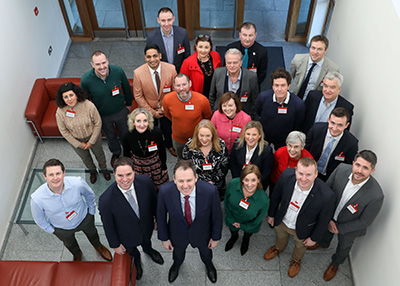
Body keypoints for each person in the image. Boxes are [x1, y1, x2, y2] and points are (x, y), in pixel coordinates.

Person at [309, 151, 384, 281]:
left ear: (372, 170)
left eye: (365, 168)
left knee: (344, 247)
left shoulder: (376, 195)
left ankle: (335, 263)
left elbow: (365, 221)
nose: (359, 171)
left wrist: (339, 228)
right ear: (353, 163)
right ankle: (323, 243)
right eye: (358, 165)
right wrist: (328, 218)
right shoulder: (341, 169)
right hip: (331, 215)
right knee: (326, 232)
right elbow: (327, 190)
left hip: (350, 228)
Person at [264, 158, 335, 278]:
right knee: (280, 236)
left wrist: (314, 238)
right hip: (283, 220)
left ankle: (296, 260)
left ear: (316, 174)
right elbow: (276, 195)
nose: (303, 178)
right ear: (295, 171)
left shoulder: (327, 195)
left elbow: (324, 220)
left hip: (303, 228)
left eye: (308, 174)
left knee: (300, 246)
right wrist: (271, 214)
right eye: (301, 173)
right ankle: (278, 248)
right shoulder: (286, 176)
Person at [31, 159, 112, 262]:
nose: (55, 178)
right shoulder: (37, 198)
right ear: (45, 176)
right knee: (70, 244)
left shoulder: (77, 183)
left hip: (84, 218)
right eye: (51, 175)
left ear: (64, 173)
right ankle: (77, 254)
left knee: (93, 234)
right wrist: (53, 231)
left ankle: (98, 246)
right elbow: (39, 219)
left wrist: (91, 212)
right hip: (62, 228)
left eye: (58, 173)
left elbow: (90, 195)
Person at [157, 160, 223, 283]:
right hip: (177, 233)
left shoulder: (210, 191)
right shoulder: (165, 191)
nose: (185, 185)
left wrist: (215, 237)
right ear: (174, 179)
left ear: (196, 178)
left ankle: (209, 266)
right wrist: (164, 238)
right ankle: (176, 266)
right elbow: (160, 216)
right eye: (181, 181)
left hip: (203, 233)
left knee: (206, 254)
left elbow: (217, 216)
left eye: (189, 180)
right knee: (178, 254)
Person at [99, 157, 164, 281]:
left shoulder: (145, 181)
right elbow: (108, 225)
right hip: (126, 235)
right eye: (120, 175)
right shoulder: (105, 200)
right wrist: (115, 244)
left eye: (128, 174)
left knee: (147, 242)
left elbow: (154, 203)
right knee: (133, 253)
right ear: (114, 174)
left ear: (134, 172)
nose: (125, 179)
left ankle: (149, 250)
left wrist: (157, 221)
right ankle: (137, 264)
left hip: (146, 226)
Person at [81, 50, 133, 167]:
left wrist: (128, 105)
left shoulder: (118, 71)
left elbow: (127, 88)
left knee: (125, 133)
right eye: (98, 64)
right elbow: (84, 100)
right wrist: (92, 115)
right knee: (110, 136)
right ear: (92, 65)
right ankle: (116, 153)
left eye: (104, 63)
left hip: (121, 111)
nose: (102, 67)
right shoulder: (86, 79)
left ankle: (127, 153)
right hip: (102, 115)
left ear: (108, 61)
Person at [55, 82, 111, 184]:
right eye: (66, 97)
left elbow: (98, 123)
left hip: (93, 136)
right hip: (76, 140)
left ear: (76, 94)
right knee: (85, 158)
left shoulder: (88, 105)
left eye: (71, 95)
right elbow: (63, 131)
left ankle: (104, 169)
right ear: (62, 99)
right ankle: (92, 172)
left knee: (100, 155)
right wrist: (78, 144)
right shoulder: (60, 111)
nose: (69, 99)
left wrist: (91, 141)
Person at [133, 43, 177, 157]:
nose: (152, 59)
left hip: (166, 108)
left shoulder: (171, 69)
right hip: (148, 109)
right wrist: (153, 112)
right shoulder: (138, 73)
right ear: (145, 58)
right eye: (149, 57)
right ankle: (154, 146)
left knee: (168, 128)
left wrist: (163, 109)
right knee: (150, 131)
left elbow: (174, 90)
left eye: (155, 56)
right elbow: (138, 96)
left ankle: (169, 144)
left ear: (160, 56)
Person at [163, 73, 212, 159]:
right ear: (174, 86)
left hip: (198, 139)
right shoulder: (167, 99)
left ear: (190, 84)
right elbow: (168, 115)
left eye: (184, 84)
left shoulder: (202, 100)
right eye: (178, 85)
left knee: (198, 162)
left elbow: (207, 118)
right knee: (182, 162)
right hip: (178, 140)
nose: (181, 88)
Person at [224, 165, 269, 255]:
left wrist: (243, 226)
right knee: (233, 231)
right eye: (246, 180)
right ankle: (234, 237)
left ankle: (245, 240)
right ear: (242, 179)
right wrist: (231, 219)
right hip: (232, 219)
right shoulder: (233, 184)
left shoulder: (264, 200)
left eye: (253, 180)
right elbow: (226, 202)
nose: (249, 184)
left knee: (247, 235)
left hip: (249, 225)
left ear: (259, 180)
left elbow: (258, 219)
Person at [255, 68, 305, 149]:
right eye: (276, 85)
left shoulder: (298, 104)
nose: (279, 89)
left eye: (283, 85)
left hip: (284, 140)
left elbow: (298, 125)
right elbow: (257, 112)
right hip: (264, 136)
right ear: (272, 86)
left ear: (288, 86)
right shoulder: (263, 97)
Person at [305, 107, 358, 181]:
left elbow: (347, 167)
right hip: (308, 171)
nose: (335, 128)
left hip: (330, 178)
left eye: (340, 125)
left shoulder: (351, 143)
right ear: (328, 120)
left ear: (346, 125)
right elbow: (304, 151)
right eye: (332, 123)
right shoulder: (316, 129)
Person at [122, 108, 168, 190]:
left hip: (155, 163)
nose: (142, 125)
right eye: (138, 121)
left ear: (149, 121)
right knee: (142, 186)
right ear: (133, 122)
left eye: (145, 121)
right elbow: (126, 154)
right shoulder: (127, 135)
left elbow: (162, 150)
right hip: (138, 164)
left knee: (160, 187)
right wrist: (129, 169)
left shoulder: (156, 132)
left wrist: (164, 166)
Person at [182, 119, 229, 200]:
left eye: (208, 136)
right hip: (196, 183)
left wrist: (213, 181)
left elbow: (224, 166)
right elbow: (186, 166)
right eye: (201, 135)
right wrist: (197, 182)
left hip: (216, 183)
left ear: (213, 135)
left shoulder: (221, 146)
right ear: (197, 135)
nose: (204, 139)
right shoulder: (189, 147)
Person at [209, 48, 259, 118]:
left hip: (242, 118)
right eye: (229, 62)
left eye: (235, 62)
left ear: (241, 63)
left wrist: (250, 118)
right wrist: (214, 113)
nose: (232, 65)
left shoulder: (251, 77)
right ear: (225, 63)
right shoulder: (218, 73)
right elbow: (212, 96)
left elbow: (255, 101)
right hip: (220, 116)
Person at [290, 35, 340, 100]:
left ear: (325, 50)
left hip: (313, 101)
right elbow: (294, 74)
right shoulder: (297, 59)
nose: (315, 52)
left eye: (319, 49)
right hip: (296, 97)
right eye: (313, 48)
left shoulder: (333, 69)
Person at [230, 121, 274, 190]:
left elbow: (266, 173)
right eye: (248, 134)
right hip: (239, 182)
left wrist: (252, 186)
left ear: (259, 135)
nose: (250, 138)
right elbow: (233, 164)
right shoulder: (237, 144)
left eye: (254, 135)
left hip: (257, 186)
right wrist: (239, 181)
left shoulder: (266, 150)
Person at [146, 7, 190, 73]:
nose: (166, 24)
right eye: (163, 20)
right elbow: (150, 58)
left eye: (169, 20)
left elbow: (187, 55)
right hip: (162, 72)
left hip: (180, 71)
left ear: (173, 19)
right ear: (158, 20)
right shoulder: (151, 37)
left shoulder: (182, 33)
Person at [227, 22, 268, 87]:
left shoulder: (262, 51)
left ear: (255, 35)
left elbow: (261, 74)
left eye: (250, 35)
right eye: (245, 35)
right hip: (232, 82)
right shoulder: (230, 48)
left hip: (252, 84)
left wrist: (251, 85)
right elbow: (226, 68)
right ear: (240, 35)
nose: (247, 39)